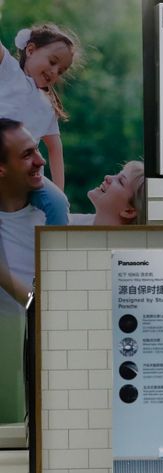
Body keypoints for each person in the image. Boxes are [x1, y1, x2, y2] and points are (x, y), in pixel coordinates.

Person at [0, 23, 80, 225]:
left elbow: (55, 150)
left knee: (58, 204)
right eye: (52, 62)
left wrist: (60, 193)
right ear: (31, 50)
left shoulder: (47, 106)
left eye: (61, 71)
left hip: (26, 178)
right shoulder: (9, 71)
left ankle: (55, 251)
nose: (54, 72)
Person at [0, 119, 47, 424]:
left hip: (26, 379)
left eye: (38, 149)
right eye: (27, 154)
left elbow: (43, 308)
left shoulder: (50, 221)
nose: (41, 160)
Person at [69, 161, 145, 226]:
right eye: (116, 174)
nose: (107, 177)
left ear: (129, 211)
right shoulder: (73, 221)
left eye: (120, 181)